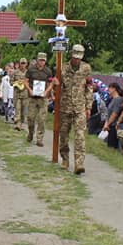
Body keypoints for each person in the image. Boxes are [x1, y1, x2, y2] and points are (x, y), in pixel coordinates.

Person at [53, 43, 93, 174]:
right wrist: (55, 85)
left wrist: (88, 106)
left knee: (80, 136)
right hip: (65, 107)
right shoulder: (62, 68)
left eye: (79, 58)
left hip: (79, 107)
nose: (77, 60)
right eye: (75, 57)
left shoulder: (86, 68)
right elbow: (56, 88)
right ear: (71, 55)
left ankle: (79, 163)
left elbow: (89, 87)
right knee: (64, 135)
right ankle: (65, 159)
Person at [25, 52, 53, 146]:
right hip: (33, 97)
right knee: (30, 118)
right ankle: (30, 133)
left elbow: (50, 84)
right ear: (37, 60)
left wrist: (47, 92)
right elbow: (26, 81)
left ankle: (39, 139)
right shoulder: (31, 69)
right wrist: (29, 90)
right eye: (40, 60)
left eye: (43, 60)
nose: (42, 62)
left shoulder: (48, 71)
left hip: (43, 98)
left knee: (42, 119)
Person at [11, 58, 29, 131]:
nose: (23, 65)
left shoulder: (29, 73)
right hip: (17, 94)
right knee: (17, 109)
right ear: (19, 64)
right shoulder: (15, 72)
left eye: (24, 63)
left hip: (25, 94)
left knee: (23, 111)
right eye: (22, 63)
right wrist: (16, 83)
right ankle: (17, 124)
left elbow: (31, 82)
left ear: (26, 64)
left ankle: (21, 123)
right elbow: (11, 82)